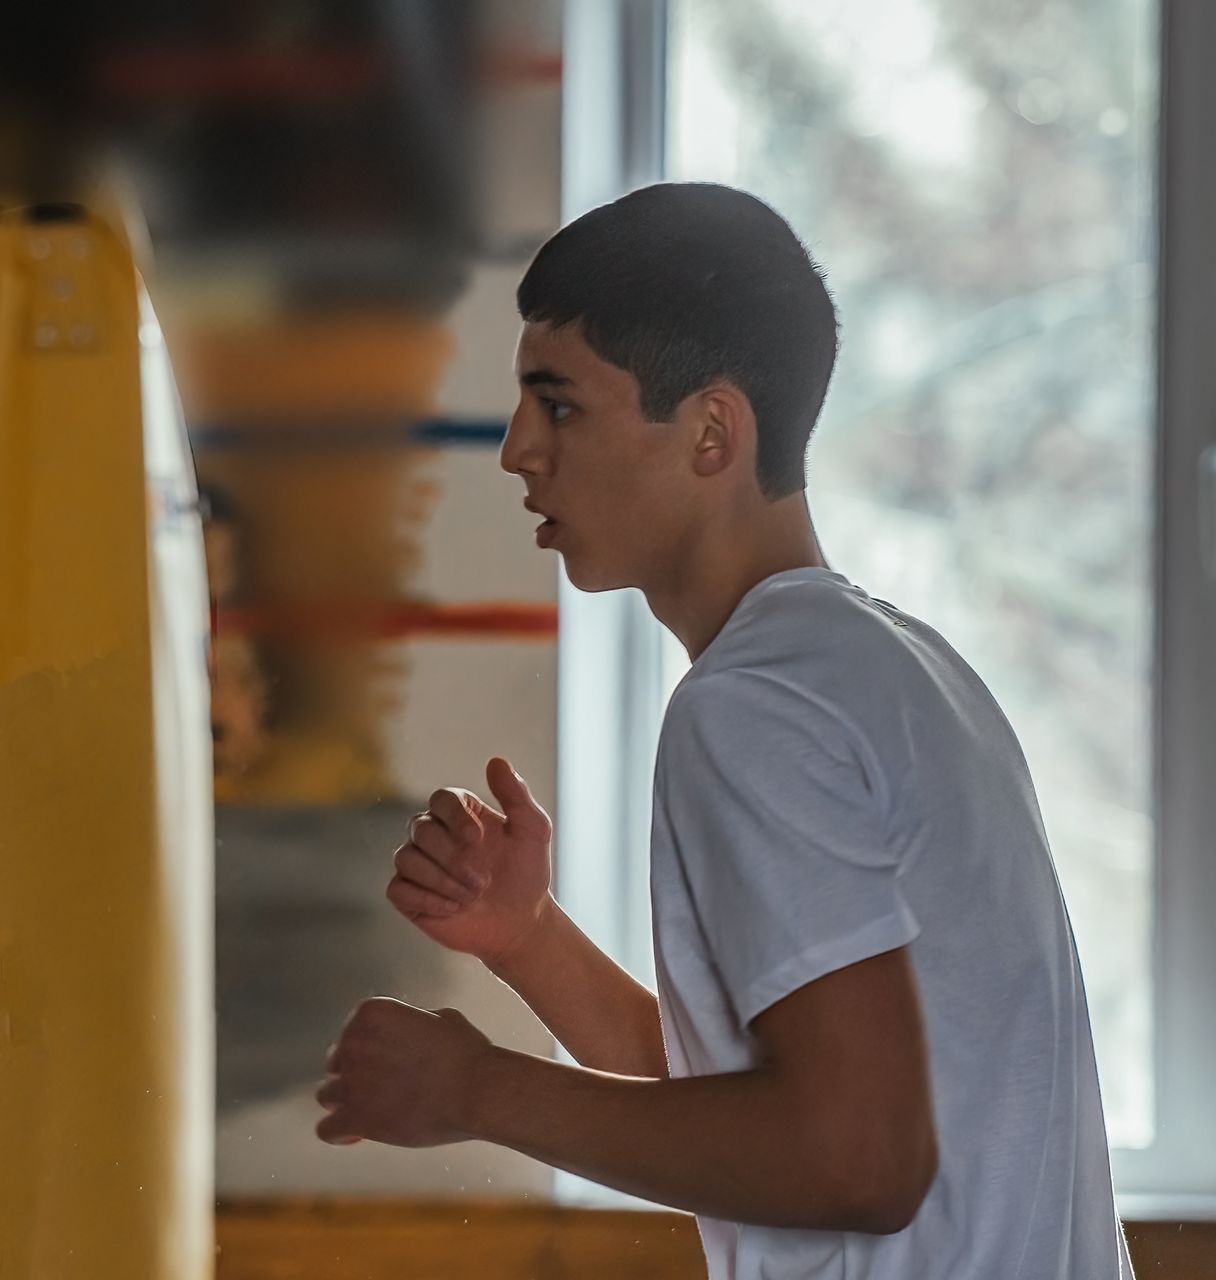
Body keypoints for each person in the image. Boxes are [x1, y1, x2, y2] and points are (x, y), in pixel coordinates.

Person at [316, 183, 1133, 1278]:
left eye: (559, 405)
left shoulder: (755, 705)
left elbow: (857, 1160)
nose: (516, 449)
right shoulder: (904, 668)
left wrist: (478, 1087)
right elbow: (764, 1105)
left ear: (712, 432)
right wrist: (528, 937)